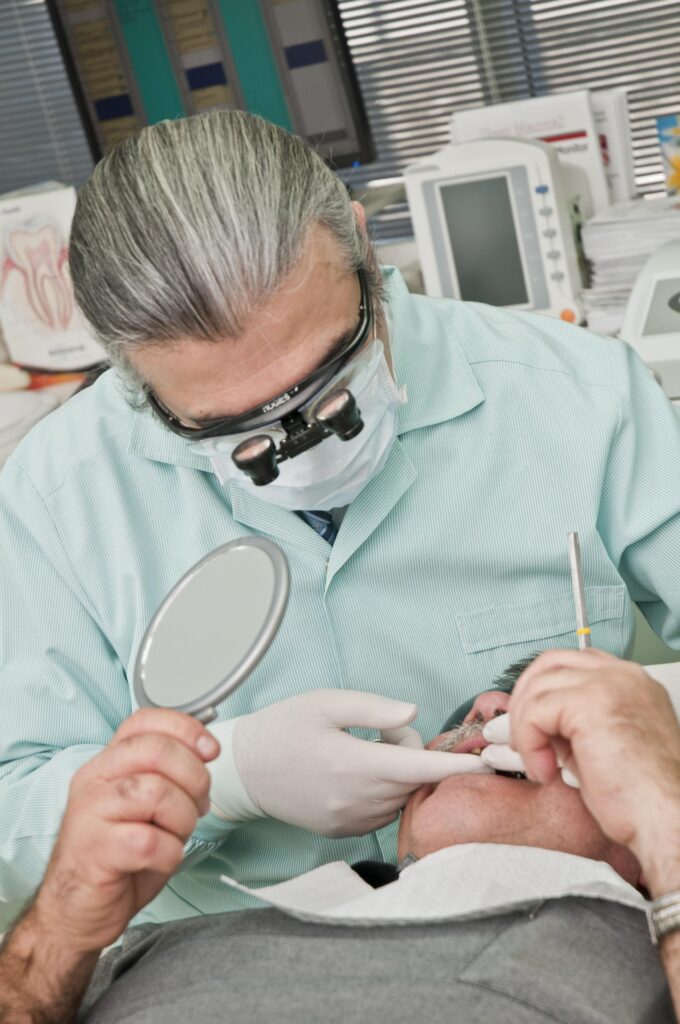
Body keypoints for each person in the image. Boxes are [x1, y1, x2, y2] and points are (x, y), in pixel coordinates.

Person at [3, 108, 680, 932]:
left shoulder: (584, 398)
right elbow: (15, 817)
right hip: (222, 952)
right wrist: (222, 781)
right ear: (135, 379)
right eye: (234, 430)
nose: (304, 448)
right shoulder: (58, 495)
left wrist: (638, 732)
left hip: (560, 931)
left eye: (333, 380)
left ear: (361, 247)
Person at [1, 650, 678, 1023]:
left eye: (558, 722)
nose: (491, 708)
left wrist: (661, 814)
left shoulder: (653, 960)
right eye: (488, 705)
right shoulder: (164, 945)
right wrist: (62, 928)